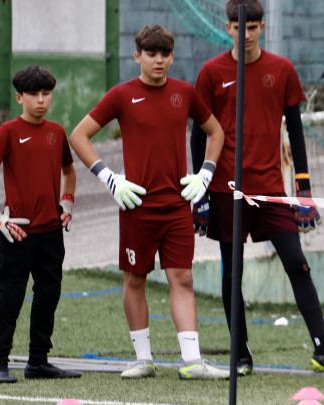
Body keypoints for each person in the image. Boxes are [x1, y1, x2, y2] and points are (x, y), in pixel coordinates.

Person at [189, 0, 324, 375]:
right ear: (227, 27)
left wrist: (304, 190)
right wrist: (200, 189)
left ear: (261, 27)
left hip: (270, 190)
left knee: (297, 263)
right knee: (231, 273)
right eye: (238, 27)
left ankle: (323, 349)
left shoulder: (281, 69)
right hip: (225, 191)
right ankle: (241, 356)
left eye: (251, 27)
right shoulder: (211, 73)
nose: (245, 34)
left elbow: (296, 132)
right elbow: (198, 134)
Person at [69, 25, 229, 380]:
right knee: (135, 279)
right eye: (151, 54)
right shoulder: (121, 95)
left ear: (172, 57)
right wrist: (109, 177)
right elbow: (78, 136)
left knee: (182, 278)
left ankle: (191, 362)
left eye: (165, 54)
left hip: (176, 206)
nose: (159, 61)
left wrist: (205, 174)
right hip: (135, 207)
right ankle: (143, 359)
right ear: (137, 55)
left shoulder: (185, 92)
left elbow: (216, 132)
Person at [0, 65, 80, 383]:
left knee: (48, 294)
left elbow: (69, 171)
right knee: (10, 296)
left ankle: (38, 362)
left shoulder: (58, 132)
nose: (40, 100)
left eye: (46, 93)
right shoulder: (7, 131)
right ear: (19, 96)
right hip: (17, 231)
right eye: (34, 94)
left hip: (51, 232)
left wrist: (67, 203)